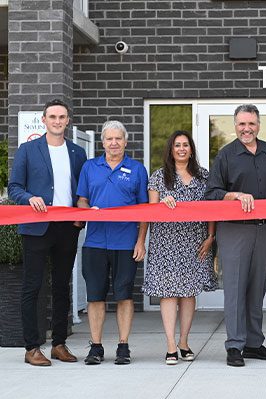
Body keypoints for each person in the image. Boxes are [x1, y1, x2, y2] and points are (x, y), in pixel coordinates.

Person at [205, 104, 266, 367]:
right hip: (234, 230)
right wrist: (234, 195)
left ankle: (254, 343)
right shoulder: (226, 155)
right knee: (235, 288)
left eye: (251, 124)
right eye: (241, 124)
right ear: (235, 126)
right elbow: (212, 193)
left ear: (258, 125)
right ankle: (235, 346)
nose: (246, 129)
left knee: (257, 289)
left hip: (265, 230)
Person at [8, 98, 87, 366]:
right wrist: (29, 197)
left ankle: (59, 344)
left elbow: (81, 191)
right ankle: (32, 347)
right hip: (36, 228)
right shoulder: (28, 150)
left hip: (67, 228)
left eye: (62, 117)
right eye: (52, 117)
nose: (57, 121)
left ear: (67, 121)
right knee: (33, 286)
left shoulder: (77, 152)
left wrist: (82, 213)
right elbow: (14, 187)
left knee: (63, 286)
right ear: (44, 120)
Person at [142, 131, 218, 365]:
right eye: (177, 145)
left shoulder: (204, 176)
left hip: (196, 241)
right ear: (171, 149)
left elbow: (212, 209)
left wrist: (211, 236)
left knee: (188, 293)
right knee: (168, 293)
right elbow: (150, 211)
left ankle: (184, 342)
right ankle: (171, 345)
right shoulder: (158, 177)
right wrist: (163, 204)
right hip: (166, 242)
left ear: (191, 149)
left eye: (186, 145)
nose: (182, 149)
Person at [77, 120, 148, 365]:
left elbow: (143, 210)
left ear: (125, 142)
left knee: (124, 295)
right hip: (95, 242)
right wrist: (88, 210)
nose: (114, 143)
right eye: (109, 139)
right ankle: (96, 347)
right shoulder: (89, 167)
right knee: (95, 296)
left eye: (118, 139)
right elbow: (81, 201)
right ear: (102, 142)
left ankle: (123, 346)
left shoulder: (137, 169)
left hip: (126, 242)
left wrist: (141, 241)